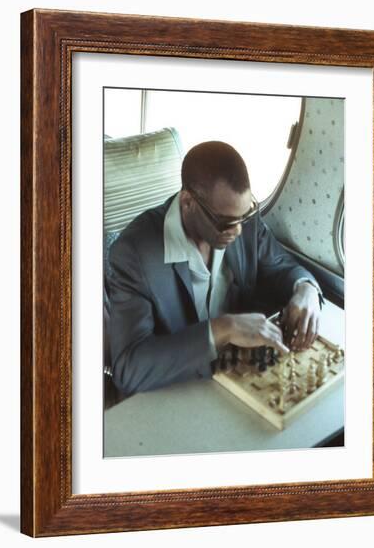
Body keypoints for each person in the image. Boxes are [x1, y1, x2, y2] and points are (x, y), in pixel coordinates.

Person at [106, 141, 323, 396]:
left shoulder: (242, 220)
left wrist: (306, 289)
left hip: (240, 376)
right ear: (187, 202)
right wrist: (221, 329)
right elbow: (129, 370)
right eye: (225, 222)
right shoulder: (133, 254)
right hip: (179, 388)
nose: (238, 230)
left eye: (244, 216)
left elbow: (281, 266)